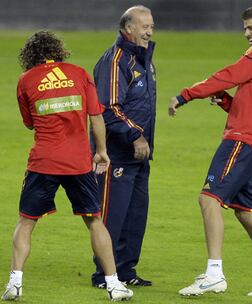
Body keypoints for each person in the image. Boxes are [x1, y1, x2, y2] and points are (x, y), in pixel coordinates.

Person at [168, 6, 252, 297]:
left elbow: (229, 74)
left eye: (251, 28)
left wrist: (185, 96)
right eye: (245, 28)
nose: (247, 34)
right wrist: (227, 103)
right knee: (245, 211)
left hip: (243, 140)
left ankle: (214, 274)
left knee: (209, 199)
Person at [1, 31, 133, 302]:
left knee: (26, 221)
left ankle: (15, 282)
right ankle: (114, 285)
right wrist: (102, 152)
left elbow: (29, 123)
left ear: (30, 56)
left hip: (44, 161)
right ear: (59, 51)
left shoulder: (25, 80)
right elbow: (96, 117)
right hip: (78, 162)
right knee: (94, 220)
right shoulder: (79, 73)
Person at [90, 5, 156, 288]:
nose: (149, 31)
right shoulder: (116, 60)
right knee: (112, 216)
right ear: (128, 29)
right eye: (144, 26)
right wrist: (135, 136)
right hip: (116, 154)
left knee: (135, 216)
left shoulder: (144, 60)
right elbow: (108, 109)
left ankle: (126, 270)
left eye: (151, 26)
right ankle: (105, 274)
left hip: (139, 157)